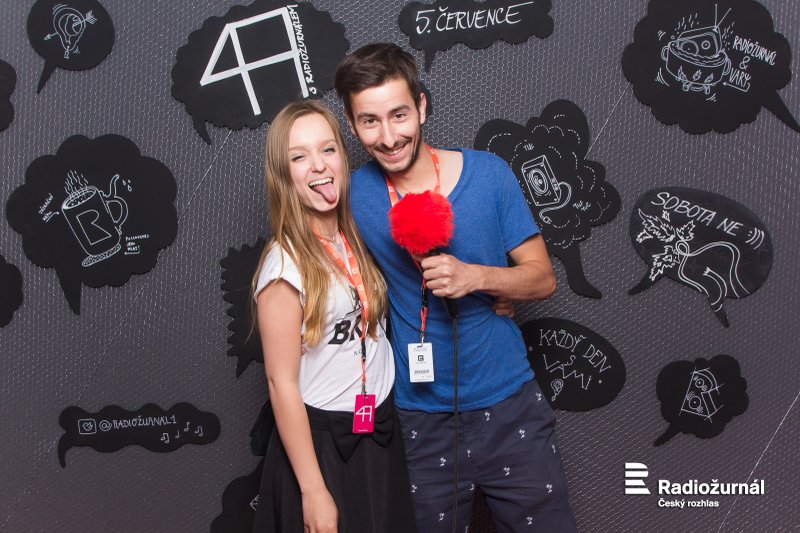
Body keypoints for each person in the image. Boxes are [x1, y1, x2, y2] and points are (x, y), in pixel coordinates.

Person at [334, 44, 578, 532]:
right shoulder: (352, 195)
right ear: (352, 124)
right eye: (370, 121)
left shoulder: (488, 174)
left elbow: (542, 277)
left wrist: (480, 277)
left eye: (399, 115)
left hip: (509, 403)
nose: (389, 137)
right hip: (420, 416)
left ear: (422, 106)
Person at [250, 100, 416, 533]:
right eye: (299, 157)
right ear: (282, 174)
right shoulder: (283, 266)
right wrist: (313, 490)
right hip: (324, 447)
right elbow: (280, 383)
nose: (319, 165)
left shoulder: (356, 236)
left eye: (327, 149)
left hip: (379, 429)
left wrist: (493, 294)